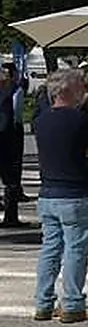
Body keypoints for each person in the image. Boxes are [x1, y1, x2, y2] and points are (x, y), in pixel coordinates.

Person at [31, 68, 88, 323]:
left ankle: (43, 302)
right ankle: (73, 303)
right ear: (67, 90)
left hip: (48, 193)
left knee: (50, 249)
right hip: (75, 192)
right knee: (75, 250)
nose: (83, 90)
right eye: (79, 86)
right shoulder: (79, 120)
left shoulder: (40, 121)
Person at [0, 61, 27, 224]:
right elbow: (17, 113)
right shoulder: (16, 89)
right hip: (10, 135)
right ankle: (11, 215)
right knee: (12, 176)